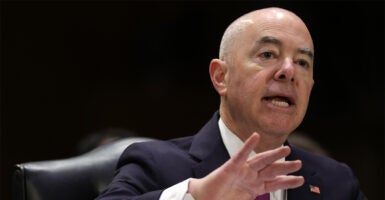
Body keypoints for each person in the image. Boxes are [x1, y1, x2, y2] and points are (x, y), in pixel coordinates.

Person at [96, 7, 366, 200]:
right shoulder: (157, 163)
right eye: (268, 54)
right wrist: (197, 197)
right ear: (221, 76)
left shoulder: (337, 183)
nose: (288, 70)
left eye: (302, 62)